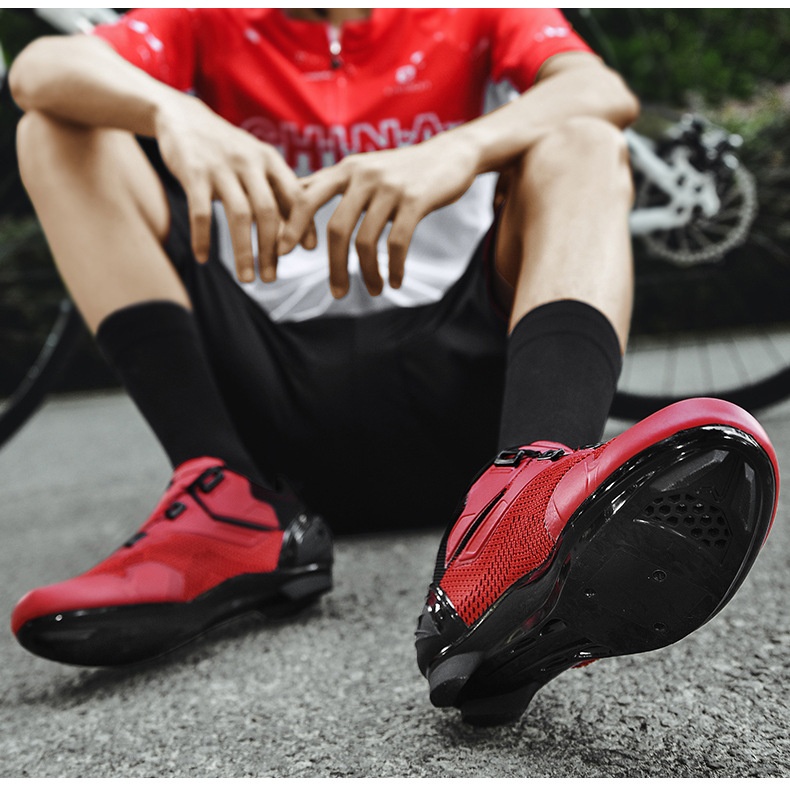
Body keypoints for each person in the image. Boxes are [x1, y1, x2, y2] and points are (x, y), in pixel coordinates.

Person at [7, 9, 779, 725]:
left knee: (584, 138)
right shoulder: (209, 17)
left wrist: (458, 148)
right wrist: (174, 114)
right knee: (57, 131)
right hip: (268, 408)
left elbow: (597, 88)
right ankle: (224, 504)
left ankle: (523, 509)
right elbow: (39, 68)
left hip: (462, 395)